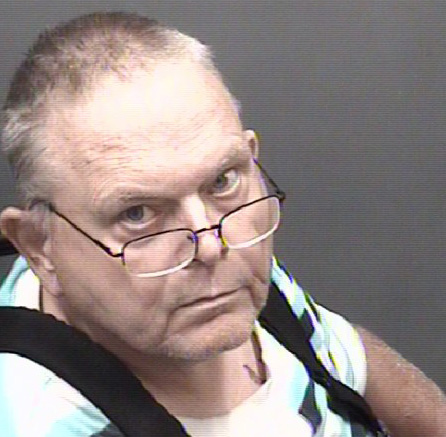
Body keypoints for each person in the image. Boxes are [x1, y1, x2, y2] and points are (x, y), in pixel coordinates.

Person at [0, 11, 445, 437]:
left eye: (221, 180)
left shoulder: (208, 258)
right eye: (137, 214)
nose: (213, 247)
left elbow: (347, 357)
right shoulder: (44, 421)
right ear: (40, 246)